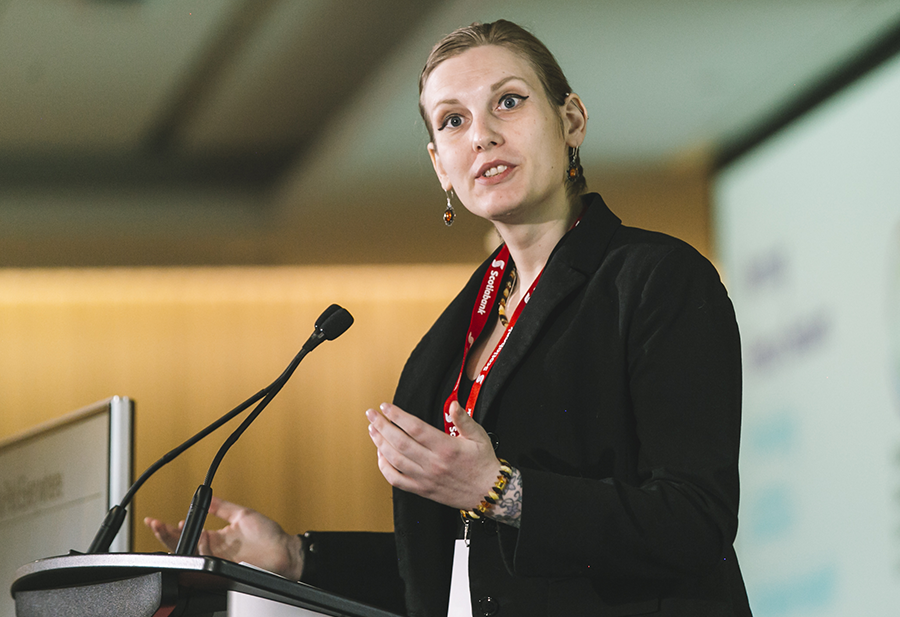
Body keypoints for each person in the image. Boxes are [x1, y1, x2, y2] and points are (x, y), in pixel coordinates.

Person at [147, 19, 752, 617]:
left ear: (572, 121)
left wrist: (503, 492)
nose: (481, 136)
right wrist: (298, 560)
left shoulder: (656, 279)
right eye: (453, 120)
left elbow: (695, 521)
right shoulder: (451, 336)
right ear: (440, 165)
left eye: (508, 102)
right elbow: (462, 571)